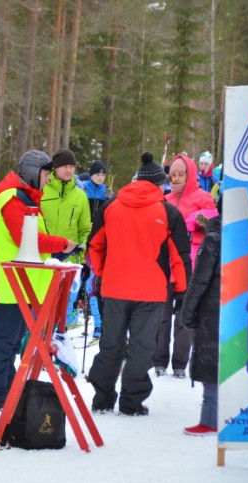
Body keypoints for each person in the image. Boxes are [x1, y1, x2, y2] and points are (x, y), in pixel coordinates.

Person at [87, 153, 191, 416]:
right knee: (142, 347)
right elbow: (180, 256)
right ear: (159, 185)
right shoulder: (168, 212)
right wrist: (181, 289)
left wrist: (102, 273)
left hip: (114, 287)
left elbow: (94, 245)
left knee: (111, 344)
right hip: (152, 291)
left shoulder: (111, 206)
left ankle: (102, 398)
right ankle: (131, 403)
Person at [0, 150, 72, 410]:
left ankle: (8, 390)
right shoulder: (12, 198)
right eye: (45, 174)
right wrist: (63, 244)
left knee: (12, 342)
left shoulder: (22, 197)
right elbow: (26, 239)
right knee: (5, 342)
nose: (47, 180)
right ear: (33, 172)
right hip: (12, 285)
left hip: (22, 284)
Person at [154, 153, 216, 378]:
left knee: (184, 317)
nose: (176, 179)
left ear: (189, 176)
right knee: (161, 317)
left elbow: (212, 223)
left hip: (190, 268)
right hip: (165, 267)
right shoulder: (165, 199)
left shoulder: (203, 197)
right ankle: (159, 360)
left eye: (181, 175)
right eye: (173, 175)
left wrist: (194, 222)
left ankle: (179, 364)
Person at [180, 212, 221, 436]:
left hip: (214, 308)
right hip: (244, 307)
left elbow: (200, 279)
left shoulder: (214, 238)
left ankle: (210, 419)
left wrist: (188, 312)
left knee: (211, 360)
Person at [41, 148, 91, 328]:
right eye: (64, 166)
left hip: (68, 262)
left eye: (72, 166)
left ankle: (57, 349)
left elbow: (85, 229)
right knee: (40, 311)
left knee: (61, 315)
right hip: (42, 260)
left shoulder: (80, 196)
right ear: (55, 168)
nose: (68, 170)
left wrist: (82, 256)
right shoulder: (43, 191)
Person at [81, 160, 113, 337]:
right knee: (83, 283)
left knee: (94, 283)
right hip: (84, 240)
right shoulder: (83, 189)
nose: (100, 177)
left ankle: (99, 324)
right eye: (98, 174)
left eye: (103, 174)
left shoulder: (106, 191)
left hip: (99, 241)